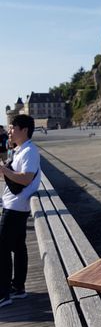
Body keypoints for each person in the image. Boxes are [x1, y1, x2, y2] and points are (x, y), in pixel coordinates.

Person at [0, 115, 41, 308]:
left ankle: (3, 293)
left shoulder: (30, 152)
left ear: (23, 129)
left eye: (12, 128)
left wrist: (3, 170)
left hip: (15, 208)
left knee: (2, 250)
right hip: (14, 205)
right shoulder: (20, 150)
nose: (9, 131)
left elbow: (26, 178)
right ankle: (18, 288)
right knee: (18, 247)